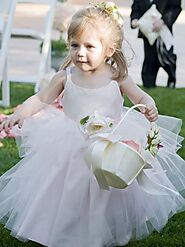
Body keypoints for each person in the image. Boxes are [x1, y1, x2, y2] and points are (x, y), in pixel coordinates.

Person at [0, 2, 185, 247]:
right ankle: (66, 229)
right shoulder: (66, 77)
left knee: (108, 192)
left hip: (111, 143)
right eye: (75, 45)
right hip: (71, 146)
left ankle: (108, 231)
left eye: (89, 46)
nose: (80, 53)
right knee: (70, 190)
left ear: (109, 49)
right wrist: (21, 113)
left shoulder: (116, 75)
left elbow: (139, 97)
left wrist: (149, 105)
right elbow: (41, 98)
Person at [130, 0, 182, 88]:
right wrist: (134, 19)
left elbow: (176, 8)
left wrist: (163, 21)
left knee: (167, 59)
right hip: (147, 34)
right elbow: (136, 8)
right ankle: (148, 86)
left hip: (164, 33)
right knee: (149, 62)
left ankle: (171, 82)